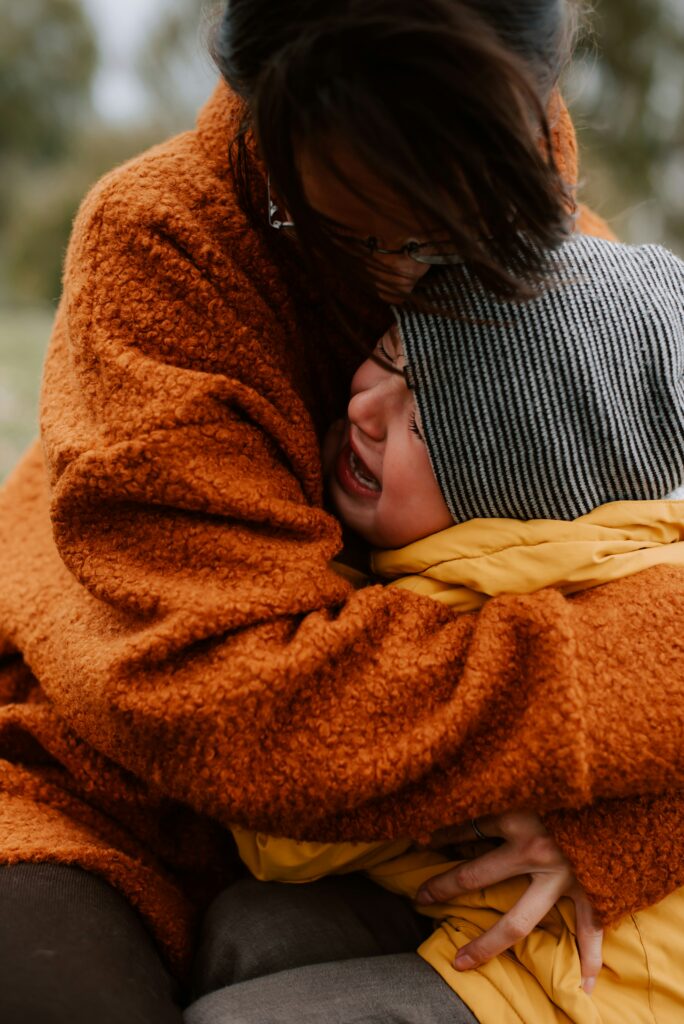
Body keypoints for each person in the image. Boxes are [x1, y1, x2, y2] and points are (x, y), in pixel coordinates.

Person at [0, 2, 683, 1022]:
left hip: (414, 829)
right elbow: (240, 709)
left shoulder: (561, 276)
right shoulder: (161, 244)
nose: (401, 274)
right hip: (109, 803)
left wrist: (626, 827)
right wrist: (628, 695)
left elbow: (625, 552)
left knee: (274, 942)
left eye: (447, 233)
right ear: (265, 121)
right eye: (345, 229)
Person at [228, 231, 684, 1023]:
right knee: (246, 931)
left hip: (591, 988)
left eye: (427, 428)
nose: (364, 408)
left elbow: (286, 825)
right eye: (391, 353)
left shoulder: (470, 600)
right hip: (523, 940)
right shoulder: (620, 535)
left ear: (516, 493)